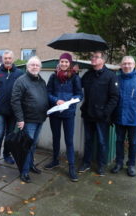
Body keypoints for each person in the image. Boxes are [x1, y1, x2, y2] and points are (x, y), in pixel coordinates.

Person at [44, 53, 83, 182]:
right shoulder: (53, 76)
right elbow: (48, 92)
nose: (64, 64)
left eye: (66, 62)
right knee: (56, 137)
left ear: (70, 63)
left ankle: (71, 166)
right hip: (55, 113)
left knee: (69, 140)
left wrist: (70, 101)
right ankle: (55, 160)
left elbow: (79, 95)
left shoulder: (75, 77)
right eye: (62, 61)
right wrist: (56, 100)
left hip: (68, 113)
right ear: (59, 62)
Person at [79, 51, 119, 176]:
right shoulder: (88, 74)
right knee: (88, 140)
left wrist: (105, 113)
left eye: (96, 57)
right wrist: (74, 73)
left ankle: (101, 166)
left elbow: (114, 97)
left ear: (103, 60)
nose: (93, 59)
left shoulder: (111, 76)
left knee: (102, 142)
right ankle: (86, 163)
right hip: (88, 115)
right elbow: (78, 85)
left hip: (102, 117)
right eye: (92, 56)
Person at [111, 56, 136, 177]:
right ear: (121, 65)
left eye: (129, 63)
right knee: (119, 141)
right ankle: (119, 163)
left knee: (133, 142)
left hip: (134, 118)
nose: (127, 66)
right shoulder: (116, 79)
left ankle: (131, 165)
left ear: (134, 65)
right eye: (124, 64)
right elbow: (112, 98)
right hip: (119, 117)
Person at [11, 56, 49, 183]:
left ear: (40, 68)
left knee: (33, 146)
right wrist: (20, 119)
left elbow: (45, 97)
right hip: (28, 120)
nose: (34, 67)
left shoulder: (41, 81)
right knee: (27, 146)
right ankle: (24, 171)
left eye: (37, 65)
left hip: (40, 118)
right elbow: (15, 101)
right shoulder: (21, 81)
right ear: (27, 67)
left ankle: (30, 165)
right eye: (32, 65)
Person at [0, 50, 23, 168]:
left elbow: (23, 90)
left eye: (9, 58)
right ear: (2, 59)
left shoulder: (19, 73)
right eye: (5, 58)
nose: (7, 60)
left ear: (13, 59)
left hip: (13, 111)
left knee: (10, 135)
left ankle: (7, 155)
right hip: (1, 111)